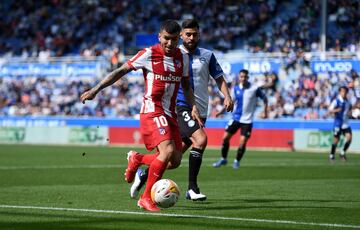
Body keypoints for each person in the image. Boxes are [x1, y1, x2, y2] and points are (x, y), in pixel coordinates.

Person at [80, 20, 202, 212]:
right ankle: (146, 198)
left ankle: (137, 159)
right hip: (152, 110)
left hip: (171, 113)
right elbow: (121, 71)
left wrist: (193, 105)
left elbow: (186, 86)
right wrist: (96, 89)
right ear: (159, 37)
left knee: (174, 161)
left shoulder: (183, 58)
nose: (170, 44)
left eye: (173, 39)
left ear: (179, 38)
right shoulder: (149, 53)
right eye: (166, 39)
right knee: (167, 150)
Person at [130, 19, 234, 201]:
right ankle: (192, 189)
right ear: (181, 36)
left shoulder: (207, 55)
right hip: (179, 107)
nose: (191, 37)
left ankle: (142, 171)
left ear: (199, 35)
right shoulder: (175, 54)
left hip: (199, 110)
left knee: (172, 160)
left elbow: (218, 77)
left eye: (194, 34)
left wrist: (227, 95)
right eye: (187, 34)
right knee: (201, 139)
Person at [213, 69, 268, 169]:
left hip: (247, 121)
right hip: (236, 118)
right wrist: (220, 112)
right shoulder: (236, 88)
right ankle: (223, 159)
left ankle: (236, 161)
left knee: (242, 142)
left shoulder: (254, 88)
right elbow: (230, 101)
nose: (243, 78)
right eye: (241, 76)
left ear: (247, 77)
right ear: (239, 77)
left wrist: (265, 112)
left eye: (245, 77)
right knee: (225, 138)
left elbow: (265, 98)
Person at [328, 86, 352, 162]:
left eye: (345, 92)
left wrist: (350, 113)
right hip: (338, 123)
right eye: (342, 91)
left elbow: (348, 110)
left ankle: (342, 153)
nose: (344, 93)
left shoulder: (348, 102)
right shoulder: (336, 101)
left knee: (349, 138)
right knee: (336, 140)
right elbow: (330, 110)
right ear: (340, 92)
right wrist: (336, 110)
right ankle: (332, 155)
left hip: (345, 123)